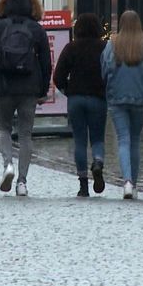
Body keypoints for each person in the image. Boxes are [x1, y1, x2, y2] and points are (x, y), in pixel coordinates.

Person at [0, 0, 51, 197]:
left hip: (5, 87)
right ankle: (22, 182)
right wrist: (42, 89)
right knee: (25, 134)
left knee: (4, 128)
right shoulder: (36, 29)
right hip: (29, 89)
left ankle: (7, 166)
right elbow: (46, 63)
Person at [101, 10, 143, 200]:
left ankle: (127, 182)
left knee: (123, 139)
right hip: (141, 98)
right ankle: (132, 182)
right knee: (135, 139)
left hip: (117, 98)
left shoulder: (113, 44)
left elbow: (105, 69)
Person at [53, 13, 107, 197]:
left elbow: (58, 76)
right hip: (98, 98)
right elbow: (110, 72)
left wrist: (68, 90)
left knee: (80, 141)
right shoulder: (104, 47)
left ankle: (83, 184)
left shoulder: (71, 48)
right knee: (98, 137)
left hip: (76, 99)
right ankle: (98, 162)